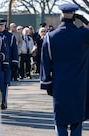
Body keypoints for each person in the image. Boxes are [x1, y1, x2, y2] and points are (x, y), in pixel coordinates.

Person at [40, 3, 89, 136]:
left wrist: (47, 83)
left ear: (61, 15)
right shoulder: (84, 35)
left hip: (59, 84)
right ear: (74, 16)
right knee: (77, 121)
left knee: (60, 121)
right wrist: (85, 21)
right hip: (80, 84)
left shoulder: (50, 37)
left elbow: (45, 62)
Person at [0, 18, 18, 110]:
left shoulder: (10, 36)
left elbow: (14, 50)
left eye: (1, 25)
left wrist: (14, 62)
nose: (0, 27)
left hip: (6, 63)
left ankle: (3, 101)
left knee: (4, 83)